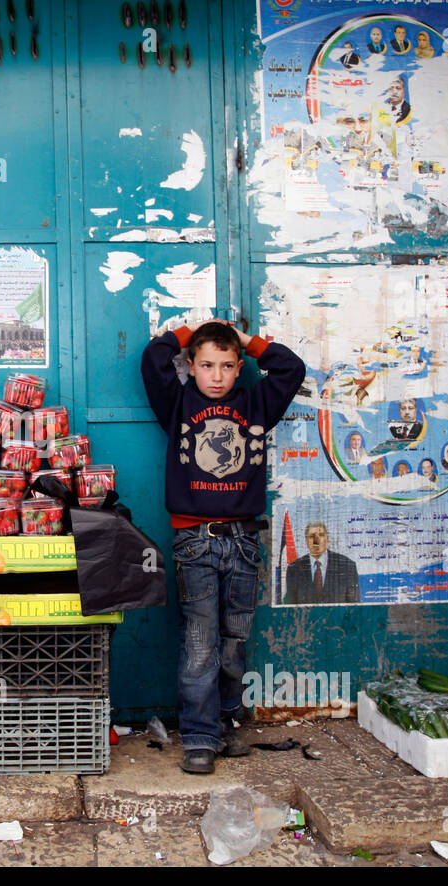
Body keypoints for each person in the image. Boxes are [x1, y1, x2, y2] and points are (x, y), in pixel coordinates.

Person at [142, 320, 306, 774]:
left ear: (240, 368)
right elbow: (153, 361)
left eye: (228, 366)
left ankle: (225, 723)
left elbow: (291, 368)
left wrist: (251, 342)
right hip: (195, 541)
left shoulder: (256, 402)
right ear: (190, 366)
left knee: (234, 644)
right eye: (207, 365)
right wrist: (185, 332)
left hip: (245, 542)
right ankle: (198, 736)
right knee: (200, 643)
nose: (217, 376)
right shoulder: (177, 402)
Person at [285, 522, 361, 605]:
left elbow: (354, 607)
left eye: (321, 535)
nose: (316, 541)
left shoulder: (348, 566)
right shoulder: (293, 569)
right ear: (306, 542)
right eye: (311, 536)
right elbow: (290, 608)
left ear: (327, 540)